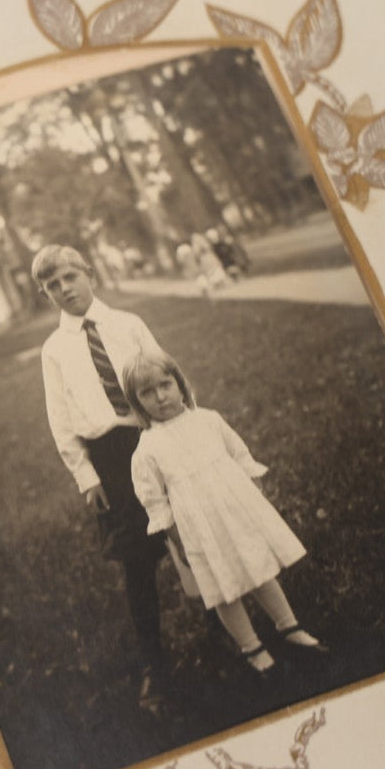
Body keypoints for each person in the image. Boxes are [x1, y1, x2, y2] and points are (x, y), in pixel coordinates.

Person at [122, 351, 323, 674]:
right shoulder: (146, 450)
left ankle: (290, 627)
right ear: (136, 402)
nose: (160, 397)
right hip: (197, 527)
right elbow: (154, 502)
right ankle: (252, 647)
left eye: (165, 385)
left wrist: (253, 496)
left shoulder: (208, 420)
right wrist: (178, 540)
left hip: (235, 510)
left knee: (259, 568)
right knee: (222, 587)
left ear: (180, 383)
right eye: (147, 392)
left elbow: (239, 453)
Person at [33, 244, 171, 706]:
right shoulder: (54, 350)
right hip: (110, 457)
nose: (64, 289)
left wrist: (183, 428)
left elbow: (168, 376)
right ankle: (155, 662)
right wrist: (85, 474)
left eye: (70, 277)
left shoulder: (127, 324)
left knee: (194, 536)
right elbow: (60, 418)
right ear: (45, 293)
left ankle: (234, 628)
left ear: (88, 273)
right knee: (137, 560)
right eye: (52, 285)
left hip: (155, 436)